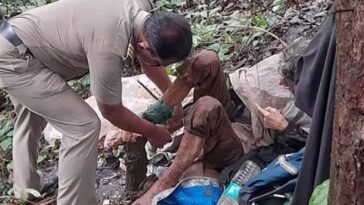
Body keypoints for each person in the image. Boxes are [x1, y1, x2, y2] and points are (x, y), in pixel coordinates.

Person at [0, 0, 192, 204]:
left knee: (31, 115)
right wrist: (152, 131)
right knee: (83, 127)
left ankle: (26, 188)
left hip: (18, 42)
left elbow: (149, 61)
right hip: (16, 59)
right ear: (145, 47)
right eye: (159, 62)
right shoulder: (109, 44)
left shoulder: (141, 11)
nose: (158, 66)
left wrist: (174, 100)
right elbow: (111, 110)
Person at [132, 40, 311, 204]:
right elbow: (236, 83)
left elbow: (307, 153)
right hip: (234, 109)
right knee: (206, 60)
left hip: (245, 142)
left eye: (287, 81)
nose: (281, 83)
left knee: (207, 107)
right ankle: (155, 118)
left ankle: (164, 182)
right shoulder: (294, 60)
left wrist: (284, 127)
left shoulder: (320, 102)